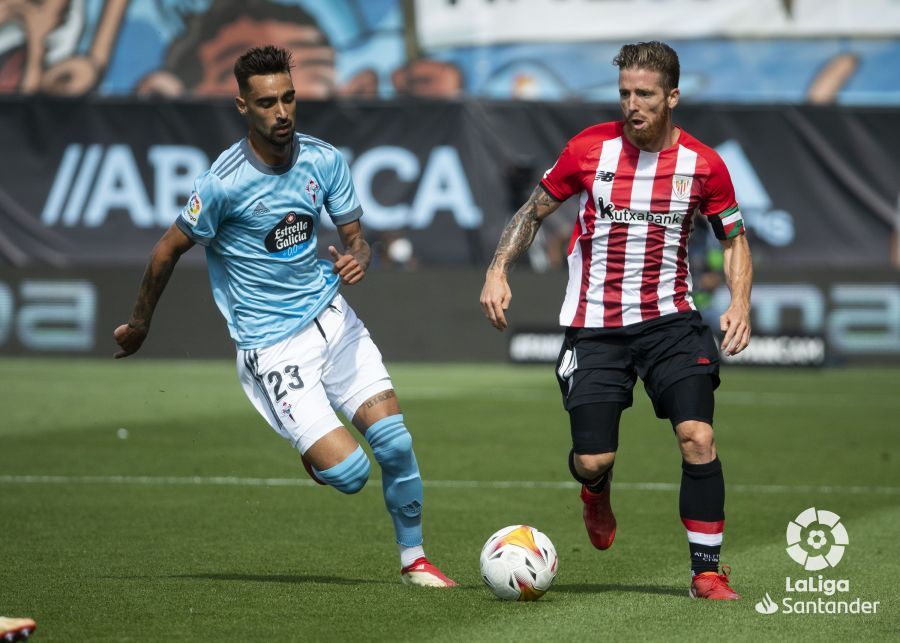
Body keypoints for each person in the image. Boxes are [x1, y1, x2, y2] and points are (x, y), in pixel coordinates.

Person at [114, 45, 455, 588]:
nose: (282, 112)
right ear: (242, 106)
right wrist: (140, 323)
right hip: (272, 345)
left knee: (395, 442)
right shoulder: (222, 184)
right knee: (349, 475)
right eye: (267, 102)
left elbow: (358, 240)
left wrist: (357, 258)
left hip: (334, 320)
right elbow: (165, 250)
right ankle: (315, 449)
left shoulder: (324, 160)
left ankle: (414, 559)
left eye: (289, 98)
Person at [480, 41, 752, 600]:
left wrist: (740, 302)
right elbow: (533, 211)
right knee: (591, 457)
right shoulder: (588, 149)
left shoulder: (704, 165)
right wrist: (497, 268)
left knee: (697, 436)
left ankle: (707, 571)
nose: (632, 104)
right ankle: (595, 489)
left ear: (672, 96)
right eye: (625, 92)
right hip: (595, 327)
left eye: (645, 94)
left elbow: (734, 238)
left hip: (672, 322)